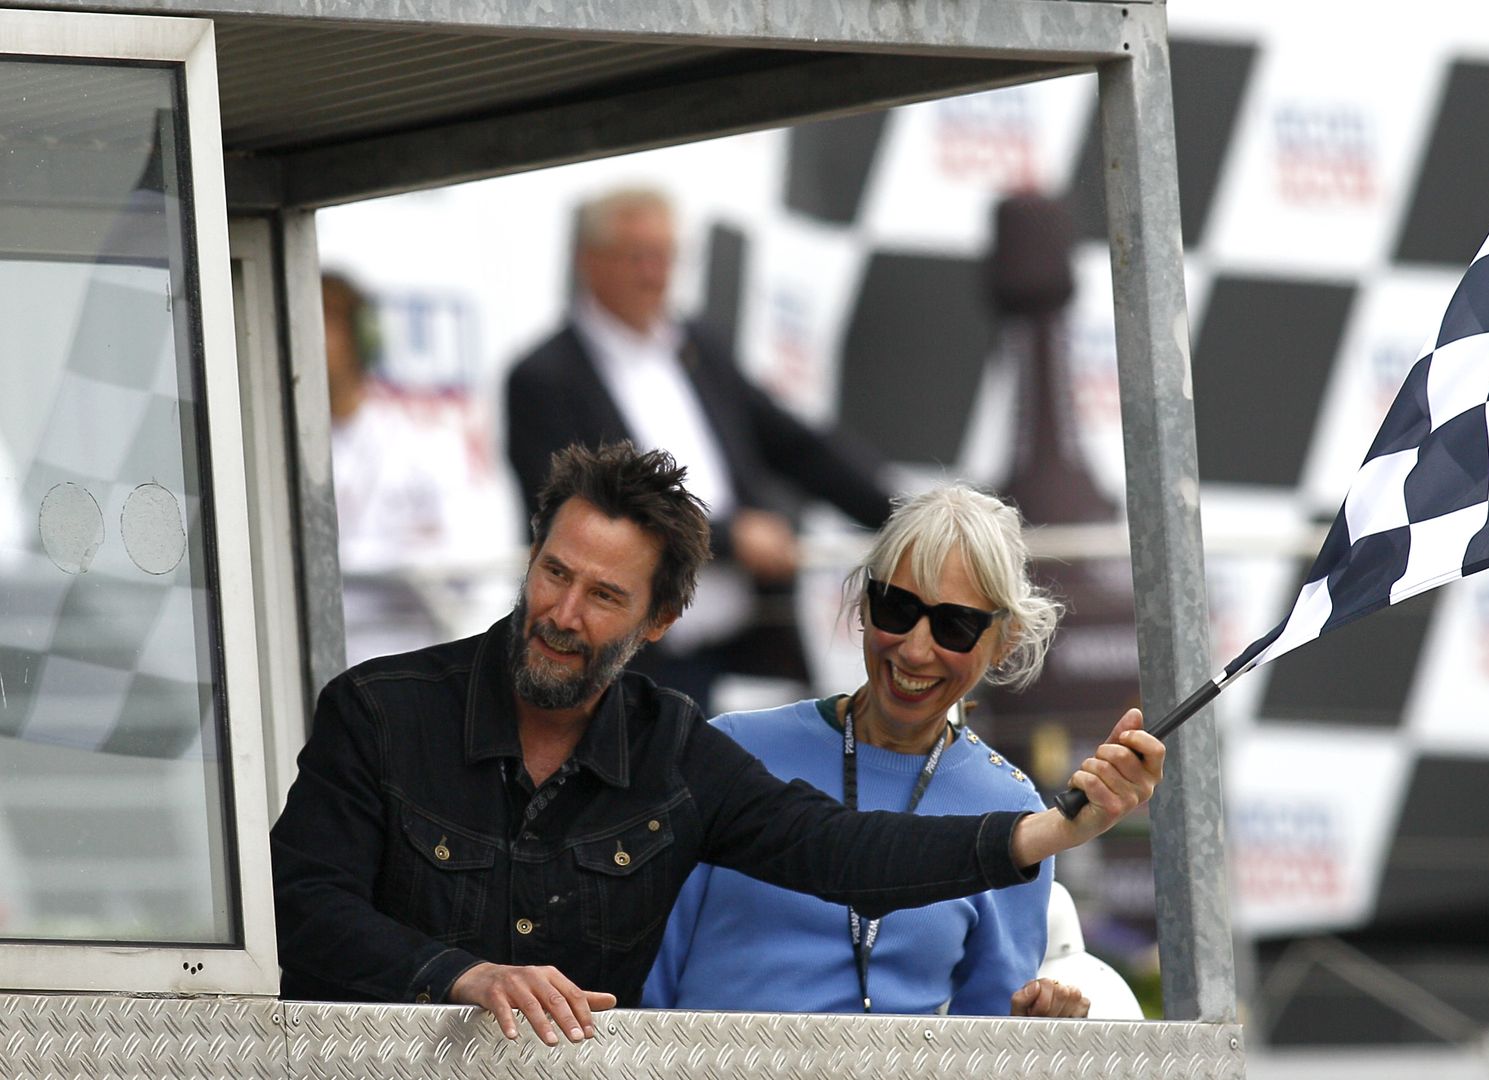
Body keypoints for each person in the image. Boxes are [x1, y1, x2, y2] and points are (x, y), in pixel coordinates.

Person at [271, 443, 1163, 1046]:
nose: (564, 614)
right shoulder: (379, 711)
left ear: (661, 621)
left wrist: (1049, 833)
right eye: (554, 573)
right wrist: (463, 976)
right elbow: (303, 909)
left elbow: (845, 854)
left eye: (605, 596)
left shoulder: (679, 756)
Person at [643, 483, 1097, 1017]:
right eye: (897, 608)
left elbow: (990, 1033)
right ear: (863, 603)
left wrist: (1037, 1028)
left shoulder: (1012, 807)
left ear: (1005, 641)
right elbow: (647, 980)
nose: (915, 648)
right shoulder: (731, 747)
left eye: (955, 626)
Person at [504, 186, 891, 709]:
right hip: (636, 660)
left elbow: (795, 445)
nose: (654, 273)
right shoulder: (544, 378)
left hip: (746, 641)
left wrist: (898, 516)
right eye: (636, 255)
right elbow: (581, 516)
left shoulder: (697, 346)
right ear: (589, 262)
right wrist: (731, 537)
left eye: (665, 255)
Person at [324, 272, 516, 664]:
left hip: (407, 664)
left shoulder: (424, 444)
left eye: (328, 318)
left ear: (363, 338)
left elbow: (465, 562)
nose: (308, 335)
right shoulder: (257, 449)